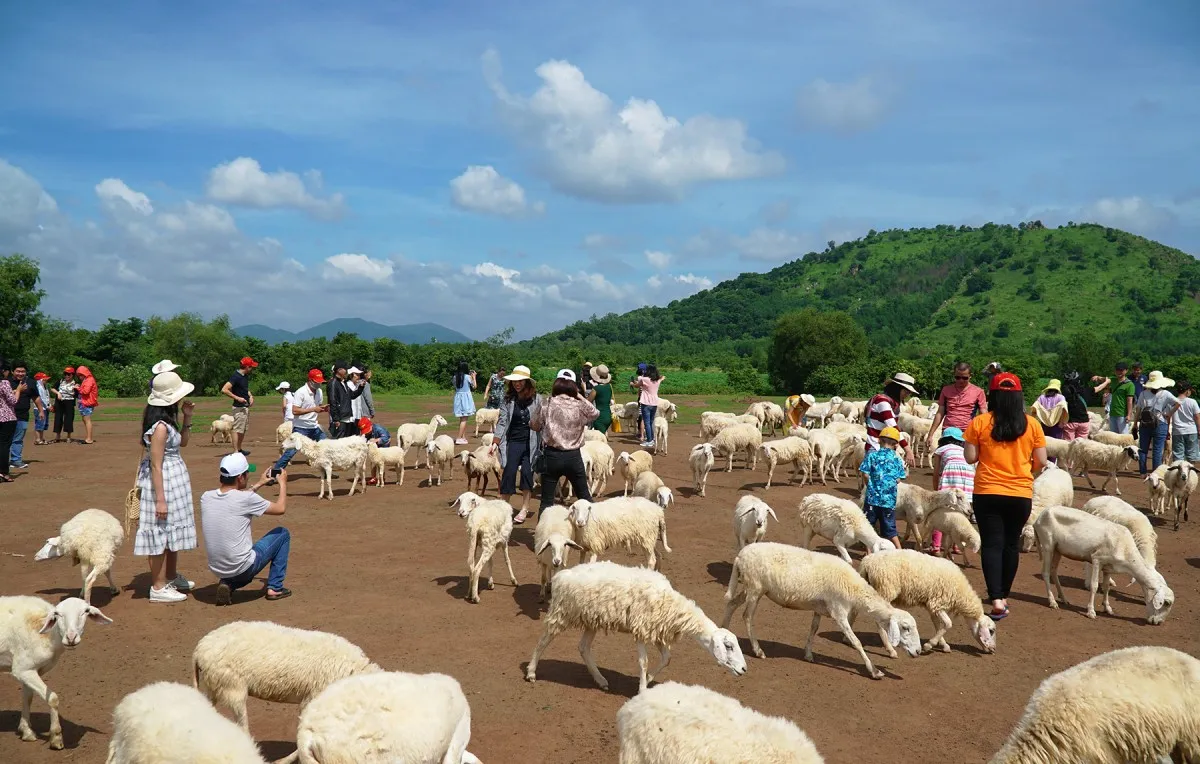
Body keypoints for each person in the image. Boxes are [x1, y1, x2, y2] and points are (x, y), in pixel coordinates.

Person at [964, 372, 1047, 621]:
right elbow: (1041, 461)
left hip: (987, 492)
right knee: (1011, 545)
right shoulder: (1031, 424)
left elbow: (970, 458)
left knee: (991, 545)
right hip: (1019, 493)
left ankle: (996, 598)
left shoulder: (979, 422)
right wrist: (1024, 470)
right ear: (1019, 396)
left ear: (992, 396)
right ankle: (1004, 595)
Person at [133, 371, 199, 603]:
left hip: (174, 479)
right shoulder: (160, 427)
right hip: (163, 482)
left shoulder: (168, 423)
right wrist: (160, 499)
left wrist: (187, 418)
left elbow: (184, 442)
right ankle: (158, 587)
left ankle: (170, 576)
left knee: (171, 531)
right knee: (159, 532)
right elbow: (156, 465)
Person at [200, 452, 291, 605]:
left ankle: (228, 584)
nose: (249, 476)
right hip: (243, 567)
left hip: (217, 568)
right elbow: (280, 508)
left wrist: (260, 483)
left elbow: (236, 499)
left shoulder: (206, 497)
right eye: (247, 473)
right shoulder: (246, 499)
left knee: (237, 562)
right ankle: (275, 588)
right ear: (240, 478)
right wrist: (283, 483)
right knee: (282, 534)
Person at [532, 369, 599, 512]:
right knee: (585, 497)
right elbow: (595, 413)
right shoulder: (580, 406)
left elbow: (535, 425)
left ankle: (543, 533)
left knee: (546, 502)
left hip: (552, 456)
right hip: (573, 457)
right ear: (573, 386)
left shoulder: (546, 403)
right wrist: (579, 396)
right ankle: (593, 530)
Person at [493, 365, 542, 524]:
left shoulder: (537, 399)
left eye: (520, 381)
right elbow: (502, 422)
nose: (517, 384)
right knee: (508, 472)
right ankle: (503, 507)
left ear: (527, 382)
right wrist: (496, 441)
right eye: (514, 381)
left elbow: (543, 421)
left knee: (527, 473)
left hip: (531, 443)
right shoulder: (507, 399)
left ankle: (525, 508)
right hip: (513, 442)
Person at [270, 369, 329, 477]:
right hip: (301, 428)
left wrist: (323, 408)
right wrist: (313, 409)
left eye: (320, 382)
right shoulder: (300, 392)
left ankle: (326, 473)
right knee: (290, 453)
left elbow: (317, 407)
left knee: (326, 447)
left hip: (314, 426)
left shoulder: (319, 392)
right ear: (310, 380)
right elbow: (295, 411)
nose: (319, 384)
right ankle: (273, 474)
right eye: (317, 382)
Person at [859, 426, 906, 549]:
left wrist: (869, 484)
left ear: (879, 441)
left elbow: (864, 473)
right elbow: (900, 478)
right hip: (888, 501)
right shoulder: (897, 459)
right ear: (896, 445)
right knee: (890, 529)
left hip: (872, 498)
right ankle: (899, 550)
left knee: (868, 526)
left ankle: (868, 553)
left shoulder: (872, 456)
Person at [930, 427, 975, 555]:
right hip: (968, 480)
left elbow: (936, 471)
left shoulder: (941, 449)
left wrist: (936, 490)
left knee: (941, 513)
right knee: (960, 514)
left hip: (950, 477)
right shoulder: (963, 450)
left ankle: (936, 546)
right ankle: (956, 546)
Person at [927, 362, 987, 452]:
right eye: (957, 377)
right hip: (948, 432)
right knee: (946, 459)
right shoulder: (946, 390)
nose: (961, 381)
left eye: (964, 378)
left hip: (967, 433)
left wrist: (985, 435)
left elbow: (983, 415)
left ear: (970, 376)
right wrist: (930, 435)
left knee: (966, 462)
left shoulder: (978, 392)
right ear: (954, 375)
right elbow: (940, 413)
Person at [866, 372, 917, 467]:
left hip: (886, 446)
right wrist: (908, 449)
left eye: (909, 393)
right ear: (897, 388)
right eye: (906, 391)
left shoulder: (893, 404)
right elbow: (892, 426)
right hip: (876, 447)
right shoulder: (882, 402)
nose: (907, 395)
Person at [1132, 370, 1178, 474]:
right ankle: (1156, 473)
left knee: (1143, 449)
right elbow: (1178, 403)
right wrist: (1169, 414)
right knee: (1157, 450)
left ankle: (1143, 472)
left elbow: (1138, 409)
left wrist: (1135, 424)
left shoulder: (1143, 393)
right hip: (1160, 422)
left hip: (1144, 423)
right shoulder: (1166, 393)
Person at [220, 357, 257, 455]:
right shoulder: (235, 376)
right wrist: (237, 398)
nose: (252, 369)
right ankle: (236, 451)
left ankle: (239, 449)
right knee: (237, 429)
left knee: (242, 429)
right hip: (239, 408)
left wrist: (250, 395)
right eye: (251, 367)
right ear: (247, 367)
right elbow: (224, 389)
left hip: (245, 407)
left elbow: (244, 389)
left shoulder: (244, 376)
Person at [1092, 363, 1135, 435]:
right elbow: (1103, 379)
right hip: (1112, 413)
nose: (1119, 372)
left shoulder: (1130, 385)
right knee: (1113, 436)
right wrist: (1097, 377)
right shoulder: (1113, 379)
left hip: (1122, 414)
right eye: (1117, 370)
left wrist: (1129, 414)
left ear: (1126, 371)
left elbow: (1130, 401)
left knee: (1123, 436)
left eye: (1121, 370)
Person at [326, 361, 363, 438]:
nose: (347, 371)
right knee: (339, 442)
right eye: (345, 369)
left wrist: (361, 387)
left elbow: (352, 395)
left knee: (346, 442)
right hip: (340, 419)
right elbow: (333, 401)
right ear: (339, 370)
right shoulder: (333, 383)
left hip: (346, 417)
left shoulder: (344, 383)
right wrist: (336, 419)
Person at [0, 361, 22, 483]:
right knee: (4, 446)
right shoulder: (4, 383)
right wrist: (18, 390)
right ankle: (3, 472)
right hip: (6, 418)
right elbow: (13, 401)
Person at [634, 364, 665, 450]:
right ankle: (652, 438)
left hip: (646, 403)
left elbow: (637, 385)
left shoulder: (645, 379)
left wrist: (632, 384)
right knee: (651, 422)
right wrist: (661, 378)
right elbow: (662, 378)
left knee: (647, 422)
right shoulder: (657, 380)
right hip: (654, 403)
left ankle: (650, 440)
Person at [7, 363, 32, 469]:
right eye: (18, 371)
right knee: (5, 439)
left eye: (23, 371)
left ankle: (15, 460)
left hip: (22, 415)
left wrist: (41, 411)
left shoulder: (30, 382)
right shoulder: (6, 382)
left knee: (18, 439)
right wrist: (18, 390)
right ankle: (4, 460)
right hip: (7, 415)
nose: (20, 373)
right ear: (12, 371)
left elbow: (36, 397)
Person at [1170, 380, 1200, 463]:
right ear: (1187, 391)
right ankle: (1190, 473)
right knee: (1191, 456)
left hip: (1177, 431)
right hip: (1191, 430)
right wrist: (1199, 429)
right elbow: (1197, 417)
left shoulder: (1172, 401)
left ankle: (1178, 474)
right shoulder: (1192, 402)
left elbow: (1168, 417)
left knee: (1178, 456)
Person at [1059, 372, 1092, 442]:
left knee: (1068, 445)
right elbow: (1097, 388)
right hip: (1084, 421)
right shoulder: (1084, 390)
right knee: (1082, 445)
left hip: (1070, 422)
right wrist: (1106, 382)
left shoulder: (1064, 391)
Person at [452, 361, 477, 445]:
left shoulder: (455, 377)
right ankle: (459, 438)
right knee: (464, 419)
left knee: (461, 419)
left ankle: (463, 437)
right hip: (466, 398)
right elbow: (474, 386)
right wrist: (474, 377)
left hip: (458, 398)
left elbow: (455, 387)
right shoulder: (467, 377)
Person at [50, 366, 77, 443]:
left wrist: (76, 389)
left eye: (69, 374)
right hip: (59, 401)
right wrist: (58, 393)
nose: (66, 376)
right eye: (65, 374)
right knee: (58, 418)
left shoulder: (75, 383)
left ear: (72, 375)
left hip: (70, 402)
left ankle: (68, 436)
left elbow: (78, 394)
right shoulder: (61, 381)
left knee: (69, 418)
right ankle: (57, 436)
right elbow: (52, 388)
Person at [75, 365, 98, 444]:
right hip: (85, 402)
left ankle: (89, 438)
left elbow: (85, 391)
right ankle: (88, 437)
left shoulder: (89, 380)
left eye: (80, 375)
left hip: (87, 403)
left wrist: (77, 388)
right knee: (85, 419)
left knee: (87, 420)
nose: (79, 377)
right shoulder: (87, 380)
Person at [588, 364, 614, 433]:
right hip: (608, 414)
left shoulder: (596, 389)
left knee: (599, 439)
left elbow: (588, 401)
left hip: (599, 416)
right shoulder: (609, 387)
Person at [630, 363, 649, 440]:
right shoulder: (649, 378)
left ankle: (641, 434)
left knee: (641, 417)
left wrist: (632, 383)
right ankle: (648, 435)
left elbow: (638, 385)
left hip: (642, 399)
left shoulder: (640, 378)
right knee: (648, 418)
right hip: (649, 400)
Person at [32, 372, 50, 446]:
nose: (46, 381)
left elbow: (46, 397)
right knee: (39, 424)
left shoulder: (44, 387)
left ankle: (41, 438)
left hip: (45, 408)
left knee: (43, 424)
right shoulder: (38, 387)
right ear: (40, 380)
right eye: (45, 379)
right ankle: (38, 439)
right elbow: (41, 399)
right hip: (39, 409)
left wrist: (49, 405)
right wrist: (47, 406)